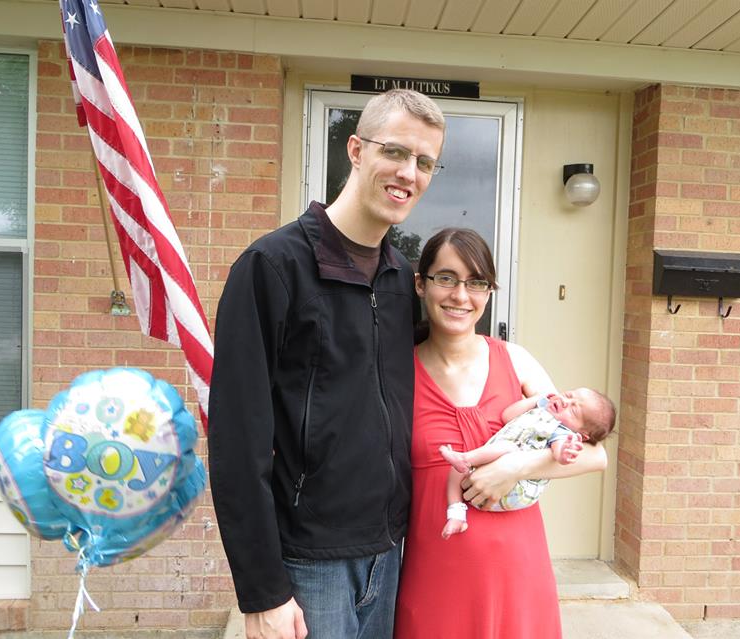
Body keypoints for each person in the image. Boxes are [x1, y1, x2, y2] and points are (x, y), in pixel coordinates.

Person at [208, 89, 445, 639]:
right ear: (356, 150)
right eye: (395, 152)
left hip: (389, 551)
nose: (408, 173)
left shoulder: (400, 279)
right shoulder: (272, 267)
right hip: (310, 562)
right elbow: (236, 443)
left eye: (425, 162)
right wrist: (263, 591)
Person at [393, 228, 609, 639]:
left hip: (518, 575)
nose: (461, 295)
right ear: (421, 284)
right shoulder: (397, 370)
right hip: (435, 579)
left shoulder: (515, 359)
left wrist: (514, 468)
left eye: (476, 282)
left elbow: (596, 455)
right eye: (446, 278)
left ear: (489, 292)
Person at [439, 387, 616, 538]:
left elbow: (558, 454)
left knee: (508, 448)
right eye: (569, 395)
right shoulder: (540, 412)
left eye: (574, 410)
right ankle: (456, 514)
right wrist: (537, 400)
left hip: (515, 489)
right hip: (487, 477)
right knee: (456, 470)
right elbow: (507, 415)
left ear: (582, 435)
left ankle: (466, 458)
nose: (565, 402)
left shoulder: (560, 431)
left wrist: (566, 452)